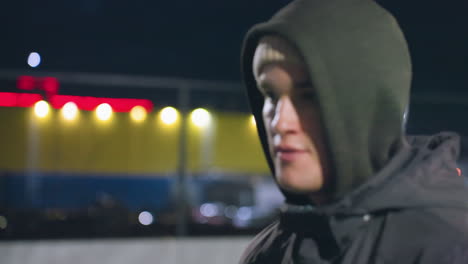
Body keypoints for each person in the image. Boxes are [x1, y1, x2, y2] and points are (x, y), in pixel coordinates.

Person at [239, 0, 468, 263]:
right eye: (270, 95)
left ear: (369, 108)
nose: (280, 123)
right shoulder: (268, 252)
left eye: (309, 96)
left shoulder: (447, 248)